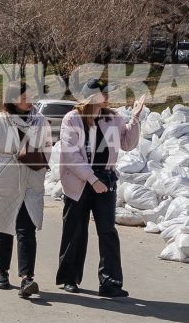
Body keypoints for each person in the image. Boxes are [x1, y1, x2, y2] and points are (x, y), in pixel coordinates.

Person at [55, 81, 145, 297]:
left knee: (107, 231)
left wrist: (135, 118)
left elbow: (127, 144)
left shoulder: (113, 118)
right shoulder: (73, 119)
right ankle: (69, 278)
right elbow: (71, 155)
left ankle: (110, 283)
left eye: (107, 93)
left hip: (105, 179)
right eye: (103, 93)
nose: (107, 97)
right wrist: (92, 179)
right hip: (79, 180)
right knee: (75, 229)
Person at [0, 84, 49, 296]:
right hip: (5, 181)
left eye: (30, 95)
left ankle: (27, 278)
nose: (29, 99)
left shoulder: (40, 121)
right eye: (24, 96)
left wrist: (41, 170)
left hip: (31, 182)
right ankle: (2, 273)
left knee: (27, 230)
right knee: (4, 228)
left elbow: (47, 150)